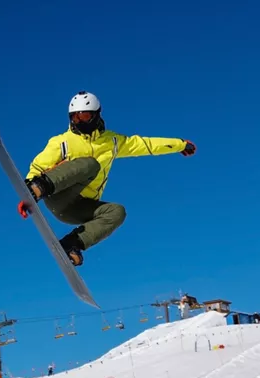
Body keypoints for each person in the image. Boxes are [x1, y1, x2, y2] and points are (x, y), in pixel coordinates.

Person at [20, 91, 196, 266]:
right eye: (75, 118)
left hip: (79, 208)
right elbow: (38, 166)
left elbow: (144, 144)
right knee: (90, 165)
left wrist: (179, 145)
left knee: (117, 211)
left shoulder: (112, 142)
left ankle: (72, 244)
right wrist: (28, 192)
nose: (79, 122)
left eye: (84, 116)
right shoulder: (63, 142)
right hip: (57, 195)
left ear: (96, 116)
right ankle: (39, 187)